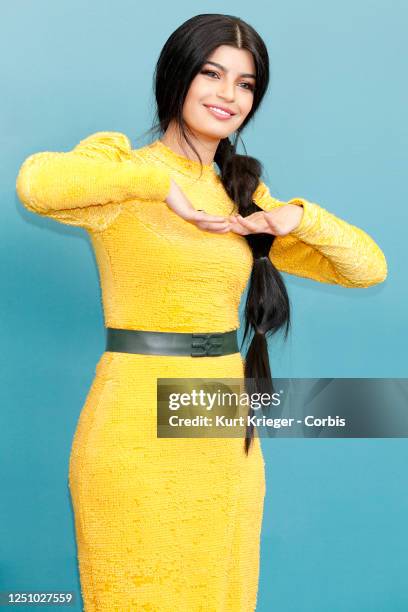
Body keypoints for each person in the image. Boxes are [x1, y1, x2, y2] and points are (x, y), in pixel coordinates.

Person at [15, 13, 387, 612]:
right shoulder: (121, 172)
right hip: (134, 425)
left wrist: (299, 216)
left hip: (222, 426)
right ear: (177, 76)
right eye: (213, 74)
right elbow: (36, 184)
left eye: (245, 84)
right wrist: (159, 185)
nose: (228, 95)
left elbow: (368, 268)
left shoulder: (241, 196)